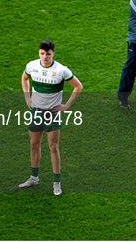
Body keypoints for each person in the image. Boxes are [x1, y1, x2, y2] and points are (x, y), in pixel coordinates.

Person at [19, 40, 83, 196]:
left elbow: (78, 86)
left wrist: (66, 106)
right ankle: (34, 177)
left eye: (48, 54)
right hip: (35, 111)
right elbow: (24, 79)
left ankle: (56, 183)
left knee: (53, 147)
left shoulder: (61, 70)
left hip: (52, 114)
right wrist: (27, 97)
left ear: (53, 53)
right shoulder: (32, 66)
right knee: (34, 144)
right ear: (39, 53)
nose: (45, 57)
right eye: (42, 53)